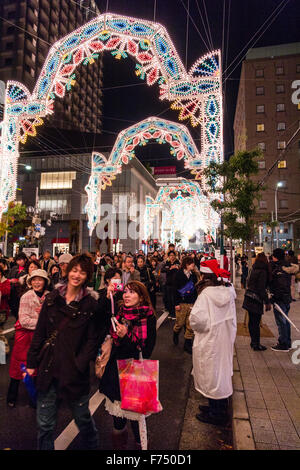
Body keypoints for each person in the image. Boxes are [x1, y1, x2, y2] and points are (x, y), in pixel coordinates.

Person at [26, 254, 106, 450]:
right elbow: (40, 331)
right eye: (74, 270)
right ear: (68, 270)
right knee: (45, 424)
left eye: (82, 272)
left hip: (74, 372)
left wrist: (80, 363)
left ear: (88, 277)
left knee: (83, 420)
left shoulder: (91, 305)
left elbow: (93, 340)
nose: (77, 275)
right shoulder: (53, 298)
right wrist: (31, 361)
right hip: (49, 367)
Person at [98, 281, 156, 450]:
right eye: (125, 292)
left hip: (135, 370)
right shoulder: (120, 311)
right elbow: (100, 316)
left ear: (141, 296)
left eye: (132, 292)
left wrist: (126, 335)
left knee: (135, 416)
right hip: (115, 369)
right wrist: (106, 293)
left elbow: (146, 350)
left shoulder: (147, 316)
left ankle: (140, 445)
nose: (127, 295)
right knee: (117, 416)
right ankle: (119, 446)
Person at [190, 259, 237, 425]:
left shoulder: (206, 295)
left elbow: (197, 320)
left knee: (210, 373)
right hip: (223, 338)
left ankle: (216, 413)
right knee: (221, 373)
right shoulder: (228, 291)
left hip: (209, 340)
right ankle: (216, 406)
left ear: (204, 276)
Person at [7, 269, 50, 407]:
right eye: (34, 280)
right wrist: (43, 323)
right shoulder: (26, 296)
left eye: (40, 279)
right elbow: (24, 320)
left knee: (38, 368)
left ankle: (34, 399)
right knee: (18, 367)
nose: (37, 282)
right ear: (30, 282)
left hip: (40, 338)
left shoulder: (49, 296)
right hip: (24, 337)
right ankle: (11, 397)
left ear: (45, 282)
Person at [269, 248, 299, 352]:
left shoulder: (279, 268)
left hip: (280, 298)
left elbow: (280, 285)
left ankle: (283, 343)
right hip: (286, 297)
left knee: (281, 321)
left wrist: (274, 297)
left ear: (276, 256)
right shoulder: (287, 266)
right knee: (285, 320)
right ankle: (287, 342)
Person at [242, 253, 271, 351]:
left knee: (252, 322)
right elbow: (261, 288)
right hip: (256, 299)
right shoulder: (263, 271)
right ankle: (256, 344)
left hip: (249, 297)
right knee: (256, 322)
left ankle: (253, 342)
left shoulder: (254, 269)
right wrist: (267, 302)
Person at [173, 256, 198, 354]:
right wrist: (176, 303)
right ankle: (175, 332)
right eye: (192, 263)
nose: (194, 265)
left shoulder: (194, 275)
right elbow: (174, 290)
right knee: (180, 323)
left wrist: (195, 302)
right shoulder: (178, 274)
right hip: (181, 303)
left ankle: (187, 344)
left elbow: (195, 289)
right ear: (187, 264)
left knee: (190, 324)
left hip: (191, 302)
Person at [162, 251, 180, 319]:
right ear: (168, 256)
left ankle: (174, 314)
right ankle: (170, 312)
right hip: (168, 283)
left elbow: (178, 271)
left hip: (175, 284)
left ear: (175, 256)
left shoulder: (177, 263)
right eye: (170, 255)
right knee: (168, 299)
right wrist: (170, 268)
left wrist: (175, 267)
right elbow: (163, 270)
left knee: (174, 299)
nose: (172, 257)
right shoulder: (167, 263)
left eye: (173, 255)